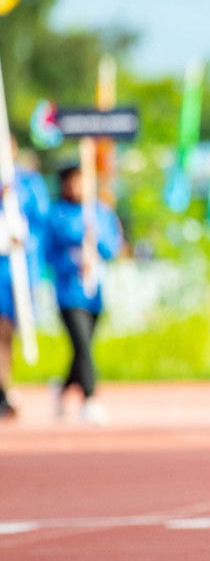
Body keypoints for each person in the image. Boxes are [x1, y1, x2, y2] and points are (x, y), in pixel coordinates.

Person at [44, 162, 122, 426]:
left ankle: (63, 388)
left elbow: (112, 248)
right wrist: (73, 260)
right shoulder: (57, 215)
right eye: (72, 181)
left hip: (94, 292)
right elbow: (48, 255)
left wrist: (95, 238)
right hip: (69, 293)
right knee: (83, 345)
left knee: (83, 348)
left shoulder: (100, 212)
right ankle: (90, 399)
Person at [0, 140, 50, 421]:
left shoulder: (29, 181)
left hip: (20, 272)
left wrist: (15, 198)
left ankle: (5, 386)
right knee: (1, 332)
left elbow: (41, 218)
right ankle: (5, 389)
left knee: (11, 333)